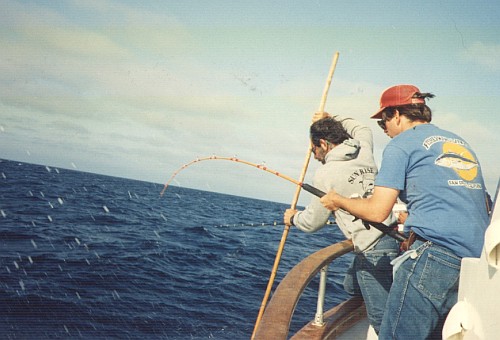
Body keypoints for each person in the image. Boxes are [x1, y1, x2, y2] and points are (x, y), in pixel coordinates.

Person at [320, 84, 490, 339]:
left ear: (396, 115)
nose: (385, 130)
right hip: (473, 264)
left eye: (384, 122)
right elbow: (476, 202)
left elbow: (378, 212)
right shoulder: (459, 142)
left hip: (433, 258)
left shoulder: (401, 144)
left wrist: (338, 201)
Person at [284, 113, 400, 334]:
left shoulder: (325, 174)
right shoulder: (363, 149)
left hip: (371, 248)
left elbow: (312, 222)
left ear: (324, 144)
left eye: (314, 148)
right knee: (351, 286)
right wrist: (332, 118)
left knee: (381, 320)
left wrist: (292, 218)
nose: (313, 153)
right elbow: (362, 128)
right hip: (391, 237)